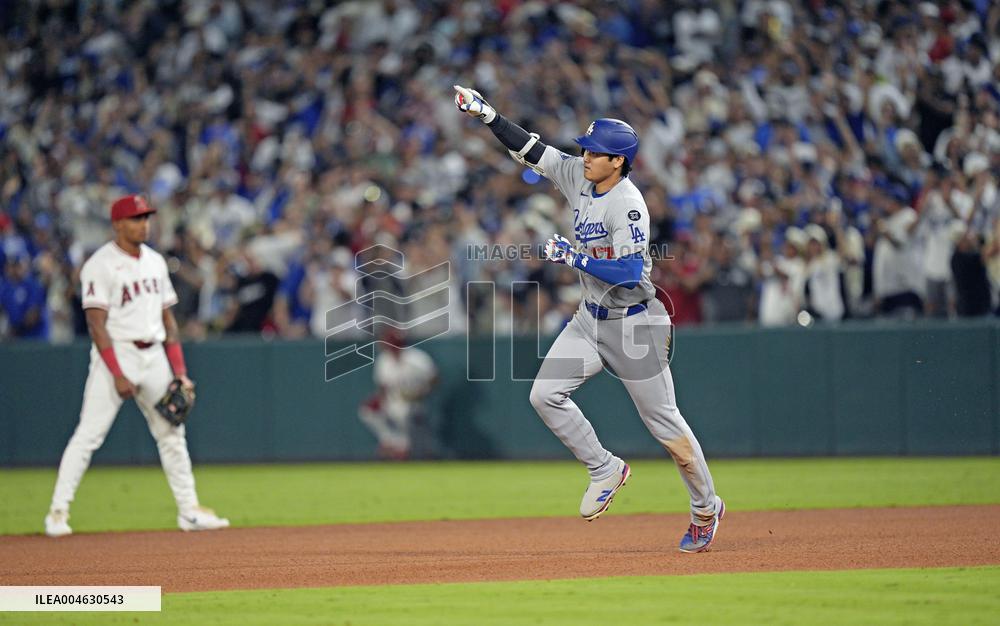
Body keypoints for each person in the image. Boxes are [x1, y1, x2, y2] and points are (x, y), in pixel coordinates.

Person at [454, 86, 724, 552]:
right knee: (544, 395)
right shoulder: (578, 176)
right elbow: (531, 149)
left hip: (636, 323)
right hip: (589, 318)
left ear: (617, 161)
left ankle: (706, 508)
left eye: (594, 152)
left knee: (666, 427)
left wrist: (573, 257)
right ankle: (605, 468)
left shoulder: (630, 204)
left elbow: (624, 271)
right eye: (584, 148)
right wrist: (488, 114)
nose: (583, 156)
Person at [44, 195, 229, 537]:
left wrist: (180, 372)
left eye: (146, 217)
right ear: (117, 224)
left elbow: (169, 322)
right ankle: (57, 512)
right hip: (118, 352)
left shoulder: (156, 262)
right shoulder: (99, 264)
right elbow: (97, 326)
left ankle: (189, 511)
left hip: (154, 354)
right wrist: (116, 373)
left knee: (172, 434)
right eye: (135, 218)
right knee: (88, 435)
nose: (144, 223)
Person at [358, 328, 438, 460]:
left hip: (416, 402)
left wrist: (422, 392)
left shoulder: (417, 358)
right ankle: (390, 441)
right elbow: (382, 386)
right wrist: (378, 399)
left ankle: (403, 447)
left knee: (404, 412)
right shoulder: (384, 360)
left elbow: (435, 379)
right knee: (366, 411)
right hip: (392, 400)